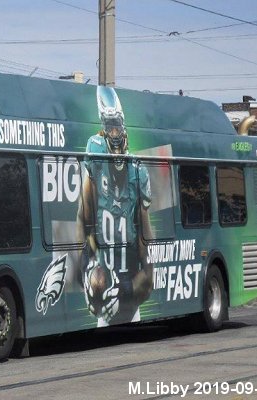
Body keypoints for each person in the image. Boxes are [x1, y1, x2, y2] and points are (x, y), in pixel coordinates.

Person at [80, 86, 154, 326]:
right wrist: (90, 275)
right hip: (105, 283)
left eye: (117, 126)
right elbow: (84, 216)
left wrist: (125, 291)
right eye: (109, 127)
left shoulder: (137, 172)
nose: (114, 132)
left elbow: (147, 258)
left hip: (129, 291)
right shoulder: (96, 159)